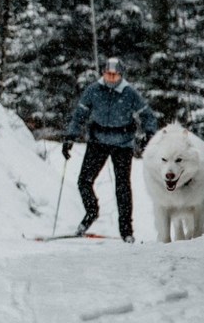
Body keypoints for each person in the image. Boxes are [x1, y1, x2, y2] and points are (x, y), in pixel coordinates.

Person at [61, 57, 158, 243]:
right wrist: (70, 137)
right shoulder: (94, 90)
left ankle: (126, 231)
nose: (110, 79)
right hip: (98, 141)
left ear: (121, 76)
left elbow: (147, 115)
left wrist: (149, 135)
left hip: (123, 143)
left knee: (122, 187)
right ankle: (91, 211)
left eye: (114, 75)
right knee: (84, 181)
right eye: (107, 74)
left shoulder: (129, 93)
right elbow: (80, 114)